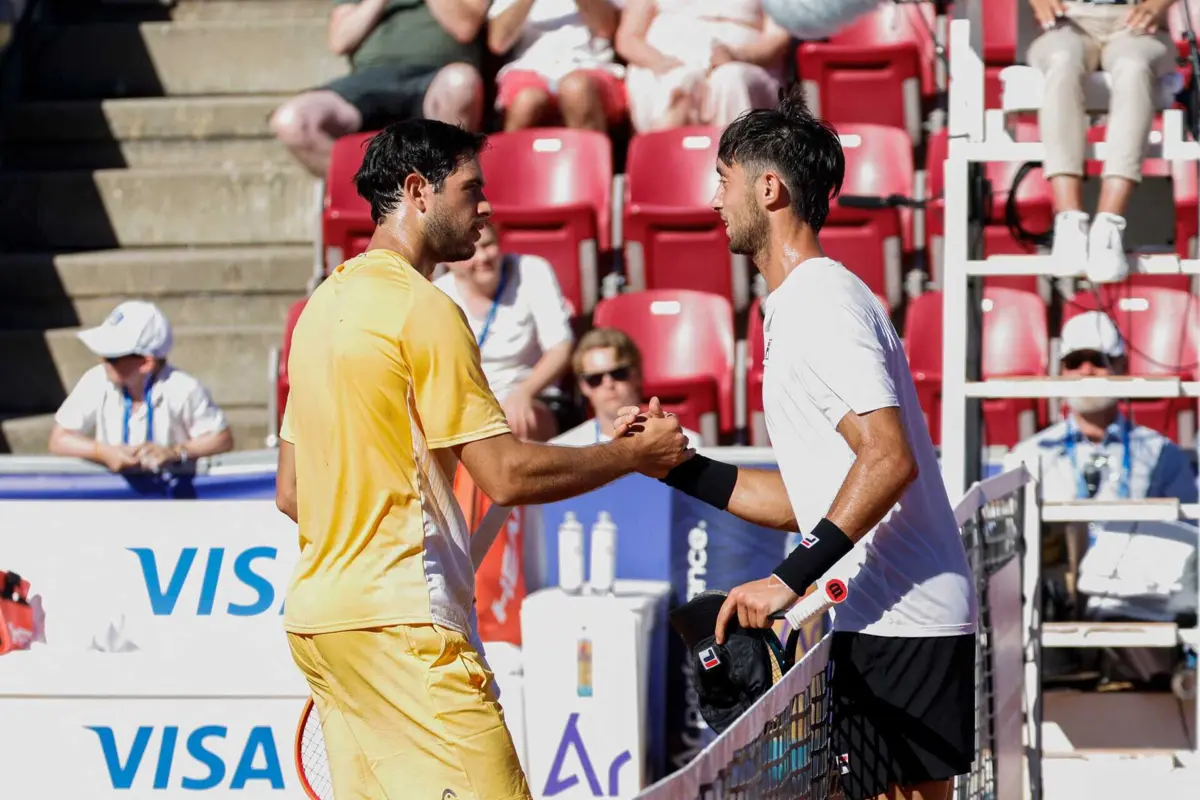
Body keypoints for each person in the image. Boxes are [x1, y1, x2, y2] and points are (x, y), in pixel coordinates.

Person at [274, 118, 690, 800]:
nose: (488, 207)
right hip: (404, 624)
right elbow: (506, 474)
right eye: (471, 189)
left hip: (322, 625)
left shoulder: (319, 310)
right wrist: (630, 455)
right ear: (418, 191)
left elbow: (292, 494)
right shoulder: (425, 309)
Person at [619, 89, 976, 800]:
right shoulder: (797, 306)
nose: (713, 200)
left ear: (768, 189)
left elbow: (889, 458)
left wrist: (787, 579)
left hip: (902, 626)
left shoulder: (820, 303)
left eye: (723, 180)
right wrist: (677, 467)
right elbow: (815, 500)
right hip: (882, 620)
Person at [1028, 0, 1178, 282]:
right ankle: (1069, 221)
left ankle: (1109, 226)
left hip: (1134, 20)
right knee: (1062, 61)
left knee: (1133, 67)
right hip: (1068, 19)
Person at [270, 0, 488, 176]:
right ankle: (378, 193)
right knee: (293, 122)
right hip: (368, 81)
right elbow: (340, 41)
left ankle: (441, 195)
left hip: (436, 77)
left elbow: (465, 27)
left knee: (461, 84)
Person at [48, 300, 234, 473]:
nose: (102, 362)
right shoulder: (97, 379)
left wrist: (175, 452)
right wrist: (102, 452)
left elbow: (221, 438)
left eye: (112, 358)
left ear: (146, 363)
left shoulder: (184, 388)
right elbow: (59, 439)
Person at [434, 222, 573, 442]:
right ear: (450, 261)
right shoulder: (439, 294)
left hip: (534, 395)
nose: (483, 257)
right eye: (471, 250)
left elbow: (561, 347)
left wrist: (524, 392)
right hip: (472, 402)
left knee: (513, 423)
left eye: (488, 245)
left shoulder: (531, 272)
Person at [615, 0, 790, 131]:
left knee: (731, 80)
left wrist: (736, 55)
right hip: (664, 62)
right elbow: (629, 38)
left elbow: (777, 40)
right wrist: (662, 63)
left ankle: (733, 163)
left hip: (742, 63)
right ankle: (659, 159)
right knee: (677, 82)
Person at [487, 0, 626, 132]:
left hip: (590, 65)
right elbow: (498, 43)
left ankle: (592, 149)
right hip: (529, 67)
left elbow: (607, 30)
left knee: (576, 89)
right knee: (526, 102)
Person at [554, 327, 702, 447]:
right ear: (584, 386)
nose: (608, 383)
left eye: (619, 373)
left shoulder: (684, 443)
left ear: (638, 375)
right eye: (595, 379)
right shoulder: (564, 449)